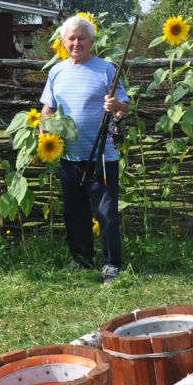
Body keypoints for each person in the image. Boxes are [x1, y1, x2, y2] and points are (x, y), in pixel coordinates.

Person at [39, 15, 129, 284]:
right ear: (64, 42)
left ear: (91, 41)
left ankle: (111, 264)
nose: (76, 43)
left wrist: (116, 106)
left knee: (106, 213)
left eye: (82, 38)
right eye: (71, 38)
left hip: (102, 156)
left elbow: (124, 107)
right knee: (74, 211)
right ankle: (82, 258)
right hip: (69, 155)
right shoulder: (56, 72)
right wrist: (43, 128)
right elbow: (48, 108)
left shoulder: (106, 70)